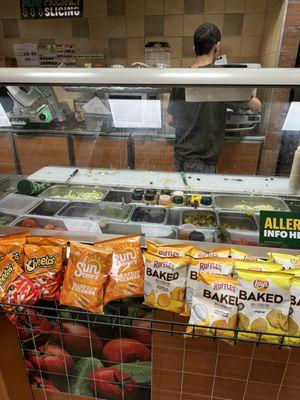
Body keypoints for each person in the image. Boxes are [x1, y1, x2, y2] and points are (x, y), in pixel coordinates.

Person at [167, 22, 261, 173]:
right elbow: (256, 105)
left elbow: (170, 119)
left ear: (194, 48)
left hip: (181, 156)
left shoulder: (181, 78)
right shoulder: (220, 78)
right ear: (217, 47)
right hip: (203, 160)